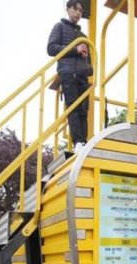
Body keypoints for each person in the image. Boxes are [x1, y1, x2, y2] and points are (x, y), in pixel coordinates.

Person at [47, 0, 93, 153]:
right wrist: (75, 49)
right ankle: (78, 142)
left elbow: (91, 63)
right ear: (68, 9)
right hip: (67, 73)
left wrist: (88, 67)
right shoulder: (59, 27)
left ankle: (84, 142)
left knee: (83, 109)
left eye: (80, 10)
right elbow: (51, 48)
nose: (78, 13)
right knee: (72, 106)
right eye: (75, 9)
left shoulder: (83, 36)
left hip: (82, 76)